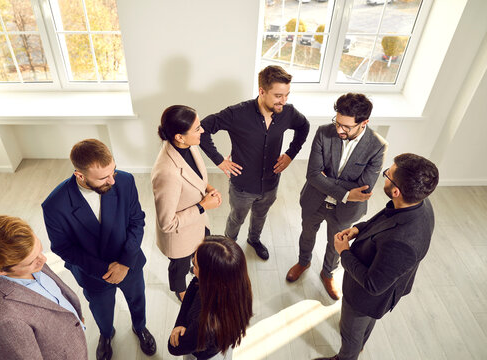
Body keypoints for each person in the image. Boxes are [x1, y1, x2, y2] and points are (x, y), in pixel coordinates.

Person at [314, 153, 439, 360]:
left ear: (396, 191)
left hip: (366, 298)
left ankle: (346, 357)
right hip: (382, 289)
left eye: (387, 175)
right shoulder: (419, 204)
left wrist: (343, 251)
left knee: (351, 333)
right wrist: (358, 229)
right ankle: (359, 344)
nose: (385, 175)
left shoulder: (402, 242)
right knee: (362, 327)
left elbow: (373, 285)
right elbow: (386, 219)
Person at [42, 139, 156, 360]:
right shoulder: (54, 205)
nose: (113, 180)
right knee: (102, 311)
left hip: (129, 262)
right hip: (92, 272)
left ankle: (140, 327)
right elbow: (62, 247)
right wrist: (105, 269)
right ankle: (105, 335)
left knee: (137, 298)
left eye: (113, 170)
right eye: (104, 177)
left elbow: (137, 221)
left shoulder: (125, 180)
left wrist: (124, 263)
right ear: (80, 175)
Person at [200, 65, 309, 260]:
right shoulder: (237, 113)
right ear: (262, 91)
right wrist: (219, 160)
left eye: (286, 95)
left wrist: (290, 154)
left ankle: (254, 240)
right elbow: (203, 129)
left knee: (260, 216)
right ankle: (229, 248)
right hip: (242, 186)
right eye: (278, 96)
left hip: (270, 183)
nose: (283, 101)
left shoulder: (288, 112)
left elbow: (304, 127)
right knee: (236, 218)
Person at [286, 93, 388, 301]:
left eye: (346, 127)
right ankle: (303, 261)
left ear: (364, 123)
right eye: (337, 122)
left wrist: (329, 181)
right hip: (313, 201)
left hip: (346, 210)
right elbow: (312, 175)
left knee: (337, 243)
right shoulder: (324, 132)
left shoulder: (377, 146)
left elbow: (364, 189)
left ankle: (327, 273)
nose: (339, 129)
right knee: (307, 233)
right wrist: (347, 192)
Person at [0, 215, 88, 360]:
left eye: (40, 249)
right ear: (0, 270)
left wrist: (75, 317)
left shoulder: (29, 257)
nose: (43, 260)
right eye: (31, 261)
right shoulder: (2, 323)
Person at [151, 105, 222, 302]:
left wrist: (207, 188)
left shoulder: (189, 145)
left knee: (201, 253)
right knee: (179, 268)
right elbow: (167, 224)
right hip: (179, 235)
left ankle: (195, 270)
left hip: (199, 224)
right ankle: (180, 290)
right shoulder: (166, 172)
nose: (203, 131)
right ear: (179, 137)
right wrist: (203, 206)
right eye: (197, 128)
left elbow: (194, 176)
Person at [168, 235, 253, 360]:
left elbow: (174, 348)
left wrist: (178, 326)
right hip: (220, 348)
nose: (192, 269)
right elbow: (195, 282)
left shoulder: (204, 325)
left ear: (209, 278)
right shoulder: (239, 288)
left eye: (195, 265)